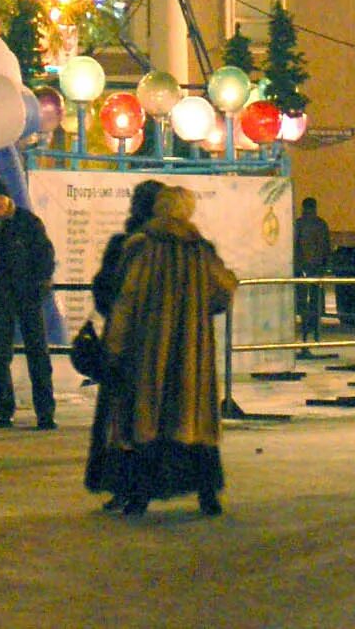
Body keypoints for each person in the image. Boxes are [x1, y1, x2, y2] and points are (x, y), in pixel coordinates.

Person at [95, 183, 236, 517]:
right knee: (193, 426)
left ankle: (140, 497)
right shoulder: (199, 249)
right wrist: (198, 307)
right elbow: (224, 289)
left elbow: (125, 301)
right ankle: (207, 495)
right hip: (191, 354)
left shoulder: (142, 247)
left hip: (149, 351)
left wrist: (113, 345)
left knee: (148, 424)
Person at [83, 178, 162, 503]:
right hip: (159, 347)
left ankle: (121, 485)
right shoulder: (172, 247)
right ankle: (152, 484)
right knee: (155, 417)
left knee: (120, 417)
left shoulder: (124, 244)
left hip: (123, 344)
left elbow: (103, 290)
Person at [0, 176, 56, 430]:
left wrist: (39, 284)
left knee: (38, 353)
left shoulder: (28, 222)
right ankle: (5, 411)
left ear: (8, 199)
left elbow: (45, 255)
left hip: (28, 295)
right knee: (0, 355)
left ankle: (45, 412)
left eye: (0, 197)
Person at [294, 195, 332, 346]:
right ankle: (315, 329)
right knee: (316, 299)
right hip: (316, 267)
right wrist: (325, 265)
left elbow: (295, 245)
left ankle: (305, 328)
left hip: (302, 267)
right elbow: (326, 246)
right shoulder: (321, 224)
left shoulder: (298, 224)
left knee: (303, 300)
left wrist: (297, 265)